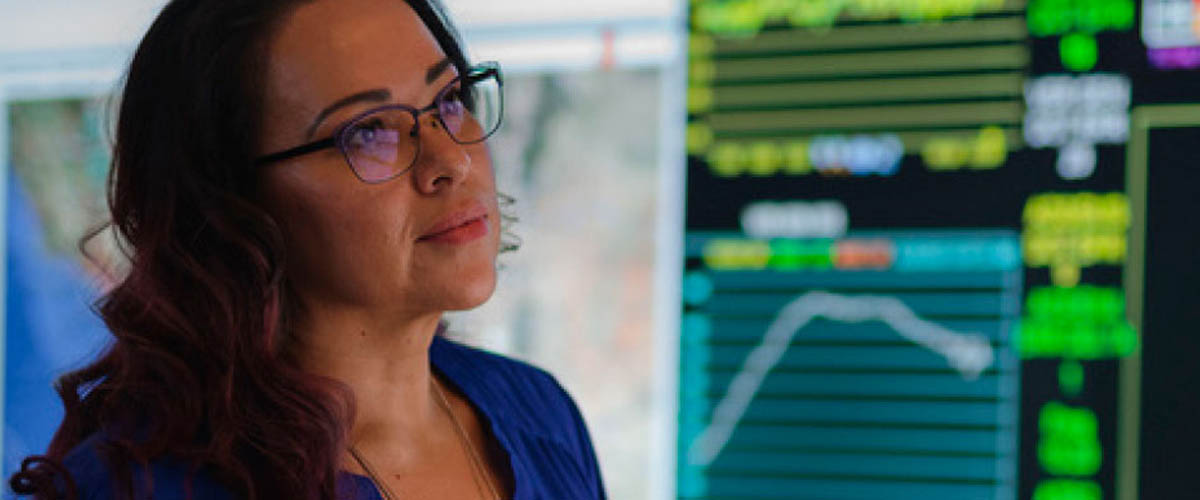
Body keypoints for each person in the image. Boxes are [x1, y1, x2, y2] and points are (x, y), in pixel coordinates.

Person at [8, 0, 605, 498]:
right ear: (231, 201)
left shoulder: (540, 414)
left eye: (448, 100)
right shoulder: (137, 488)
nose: (452, 160)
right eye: (369, 131)